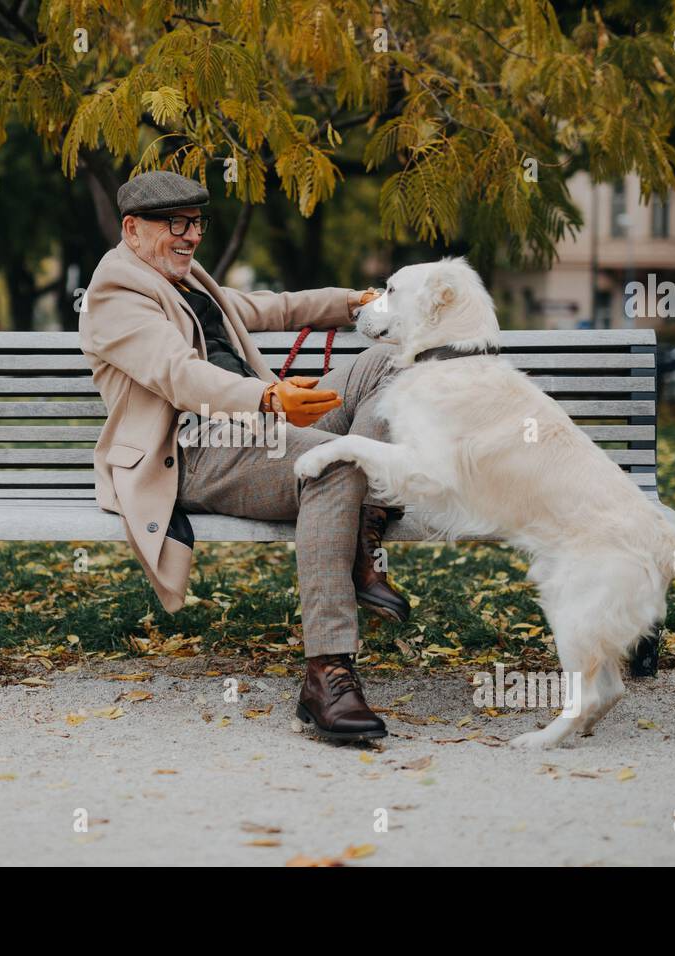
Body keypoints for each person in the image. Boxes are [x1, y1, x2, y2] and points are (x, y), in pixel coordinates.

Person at [79, 170, 410, 741]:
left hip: (256, 426)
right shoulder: (114, 295)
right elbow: (177, 375)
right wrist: (266, 396)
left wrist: (350, 302)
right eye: (174, 225)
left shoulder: (180, 278)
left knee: (393, 362)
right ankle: (326, 674)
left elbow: (265, 308)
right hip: (197, 449)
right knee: (335, 462)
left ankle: (364, 528)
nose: (189, 236)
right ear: (132, 229)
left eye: (196, 223)